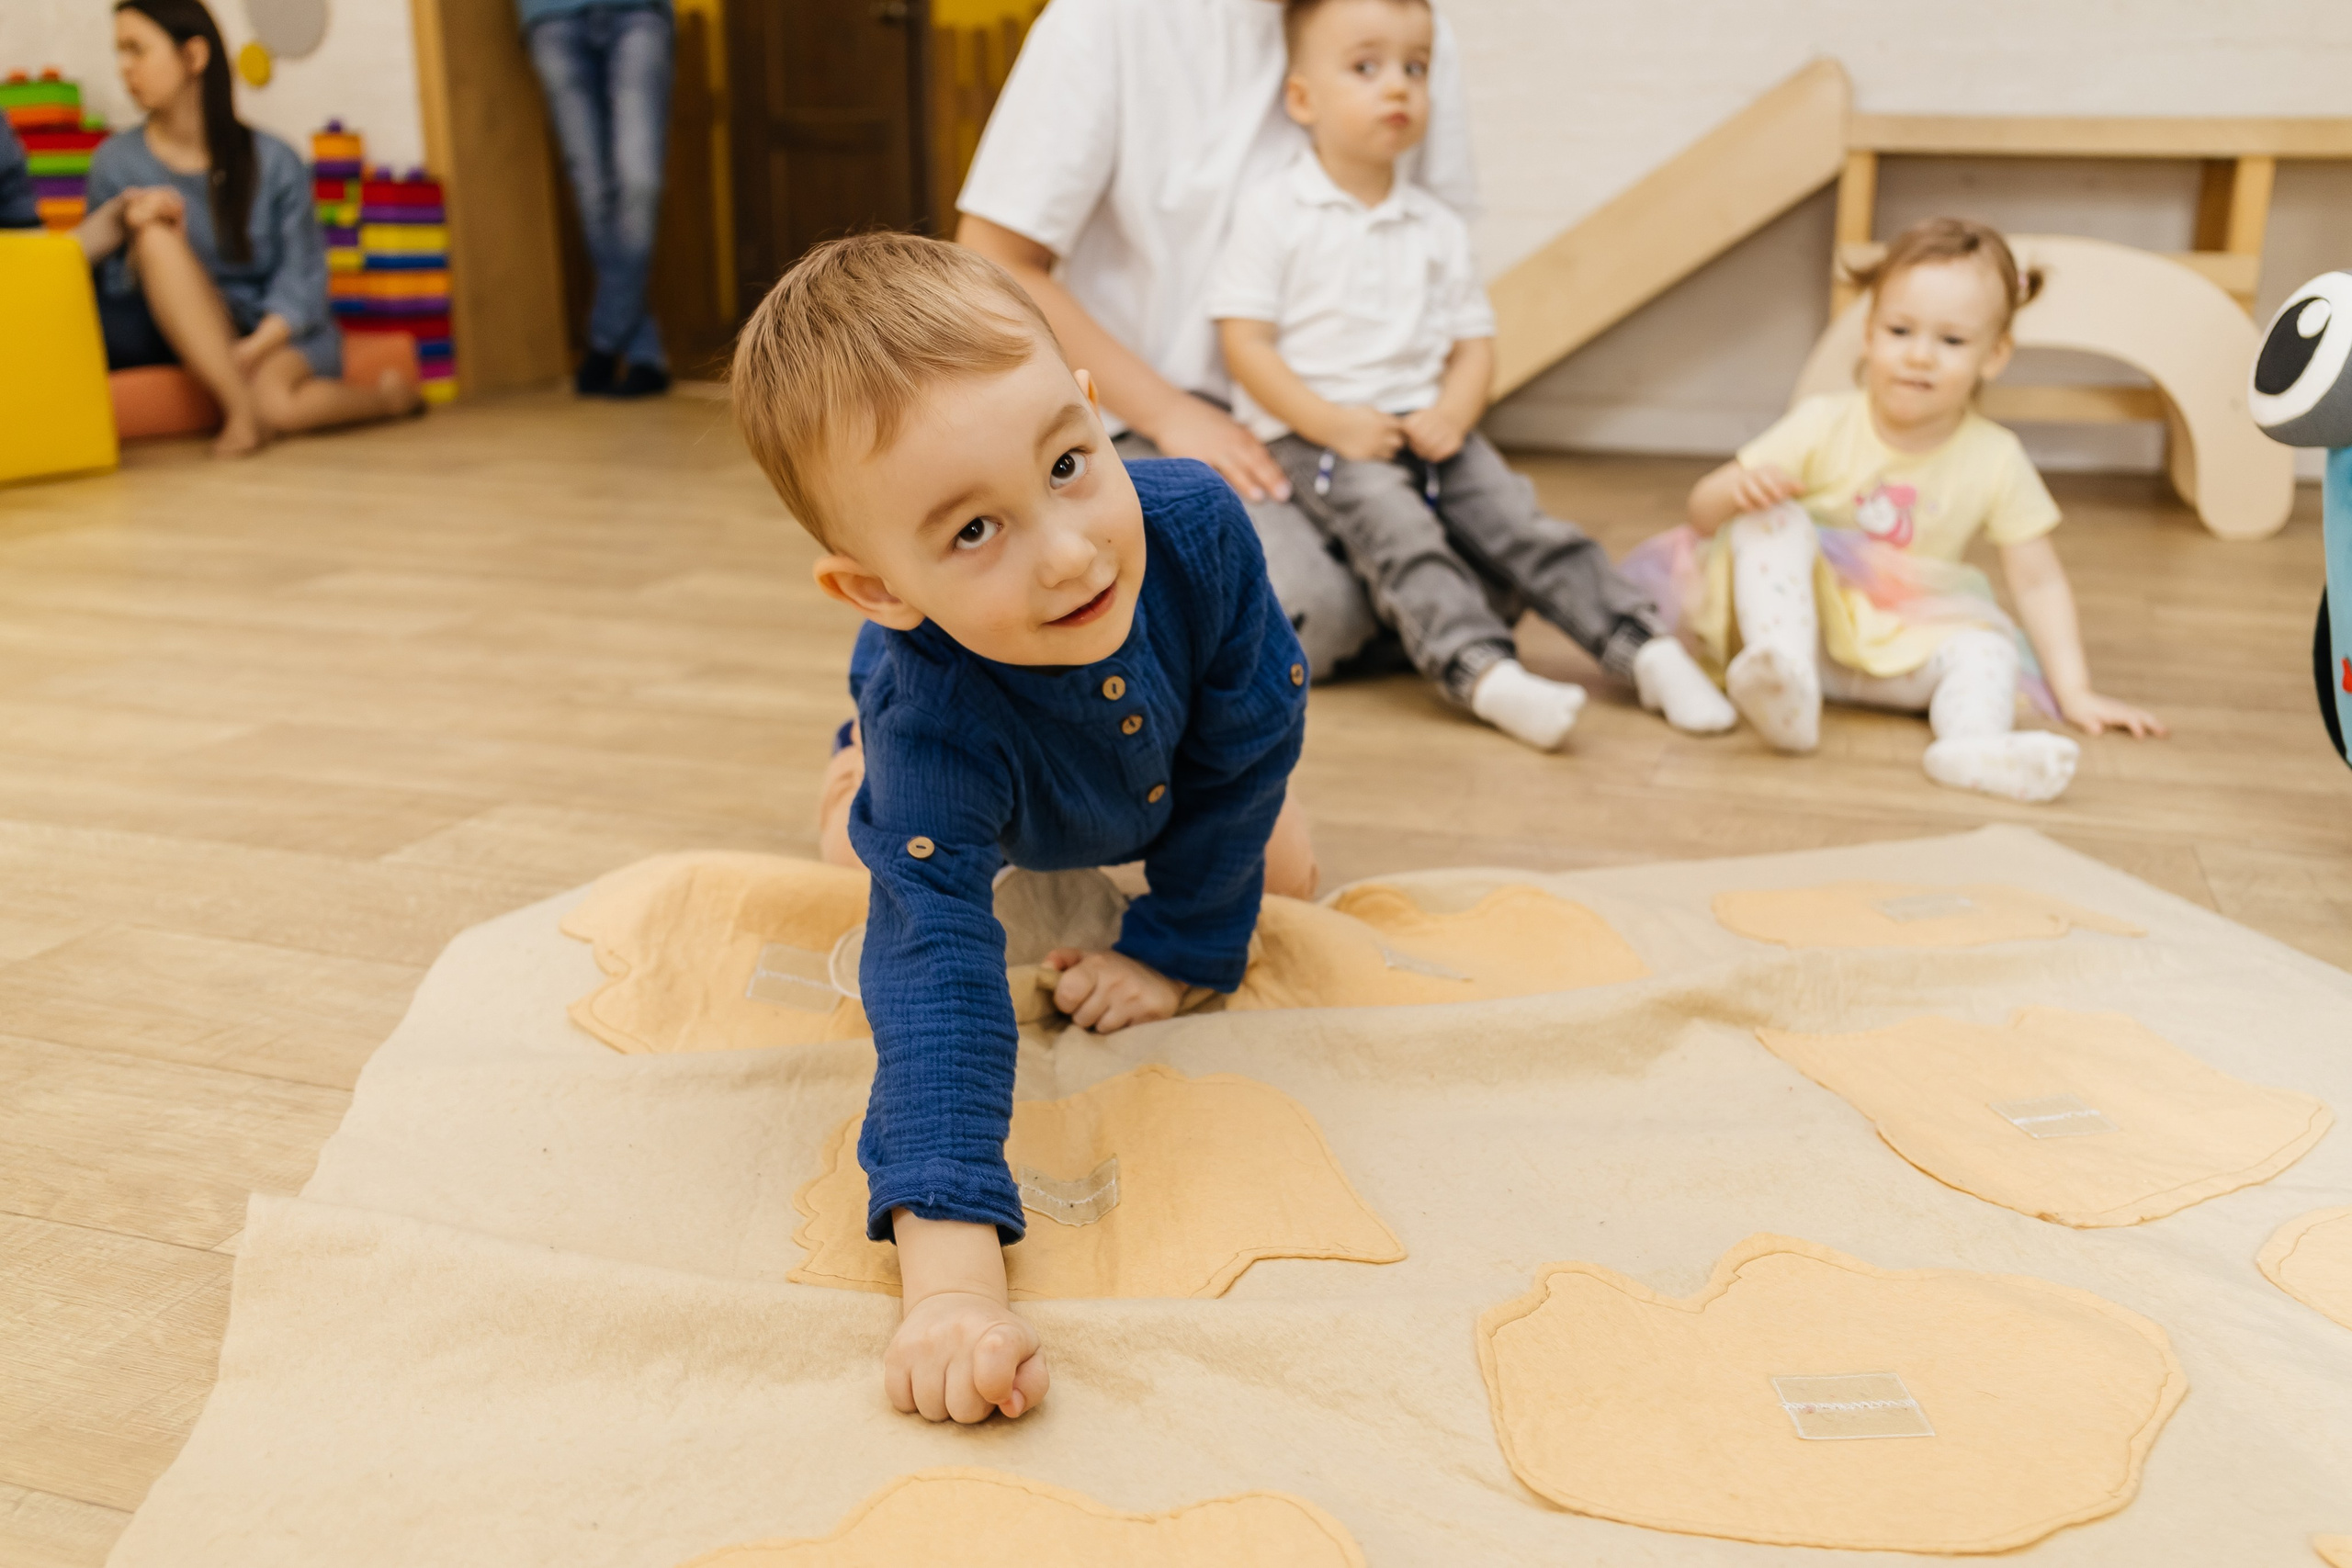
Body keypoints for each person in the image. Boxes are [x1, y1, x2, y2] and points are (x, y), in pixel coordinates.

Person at [732, 232, 1316, 1427]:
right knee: (876, 862)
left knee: (1285, 871)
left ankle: (1167, 876)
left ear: (1099, 418)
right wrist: (949, 1284)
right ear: (881, 587)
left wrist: (1179, 946)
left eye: (1066, 463)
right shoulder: (932, 705)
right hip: (965, 742)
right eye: (972, 532)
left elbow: (1252, 735)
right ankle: (857, 760)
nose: (1068, 551)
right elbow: (936, 975)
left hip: (1158, 758)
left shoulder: (1197, 527)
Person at [1211, 0, 1736, 750]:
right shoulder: (1273, 213)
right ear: (1302, 98)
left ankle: (1642, 646)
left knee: (1522, 522)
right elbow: (1246, 345)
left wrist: (1454, 414)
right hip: (1321, 435)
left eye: (1414, 68)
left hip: (1429, 422)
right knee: (1401, 531)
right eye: (1366, 67)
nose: (1397, 86)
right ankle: (1482, 669)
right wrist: (1333, 423)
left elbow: (1473, 346)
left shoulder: (1437, 228)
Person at [955, 0, 1483, 679]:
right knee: (1303, 604)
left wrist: (1429, 414)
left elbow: (1439, 245)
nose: (1399, 78)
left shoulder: (1404, 27)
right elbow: (996, 258)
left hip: (1349, 415)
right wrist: (1171, 413)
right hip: (1162, 411)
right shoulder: (1103, 21)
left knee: (1502, 563)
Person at [1638, 217, 2165, 802]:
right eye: (1900, 330)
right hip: (1801, 638)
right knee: (1773, 520)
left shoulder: (1996, 457)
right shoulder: (1822, 423)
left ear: (1995, 355)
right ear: (1868, 336)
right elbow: (1702, 516)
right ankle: (1786, 691)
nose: (1919, 356)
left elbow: (2038, 582)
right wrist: (1740, 491)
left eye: (1951, 341)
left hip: (1902, 649)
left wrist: (2076, 691)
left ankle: (1971, 746)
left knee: (1986, 648)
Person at [85, 0, 418, 457]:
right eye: (118, 52)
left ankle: (386, 400)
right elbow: (112, 289)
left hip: (271, 331)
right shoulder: (115, 163)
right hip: (169, 330)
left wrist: (251, 350)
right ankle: (241, 412)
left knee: (279, 407)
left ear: (193, 57)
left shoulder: (275, 160)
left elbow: (301, 280)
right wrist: (134, 223)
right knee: (155, 234)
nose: (125, 67)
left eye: (136, 50)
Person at [518, 0, 673, 398]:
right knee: (592, 192)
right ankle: (643, 354)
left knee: (640, 181)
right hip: (551, 15)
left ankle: (604, 342)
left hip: (638, 11)